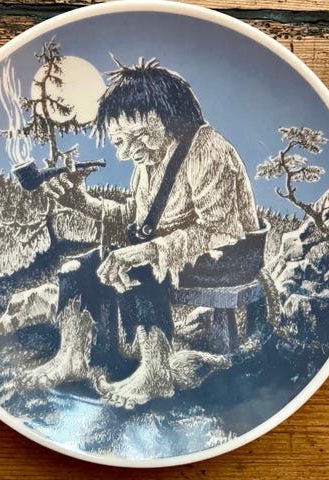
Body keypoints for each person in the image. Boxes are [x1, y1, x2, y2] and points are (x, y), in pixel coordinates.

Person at [25, 57, 260, 409]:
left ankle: (155, 373)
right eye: (119, 141)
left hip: (229, 259)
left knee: (138, 267)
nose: (125, 152)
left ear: (170, 117)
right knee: (76, 268)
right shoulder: (148, 162)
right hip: (180, 252)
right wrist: (82, 202)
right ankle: (71, 356)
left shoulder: (208, 150)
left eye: (137, 137)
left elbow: (220, 231)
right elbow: (138, 220)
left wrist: (146, 251)